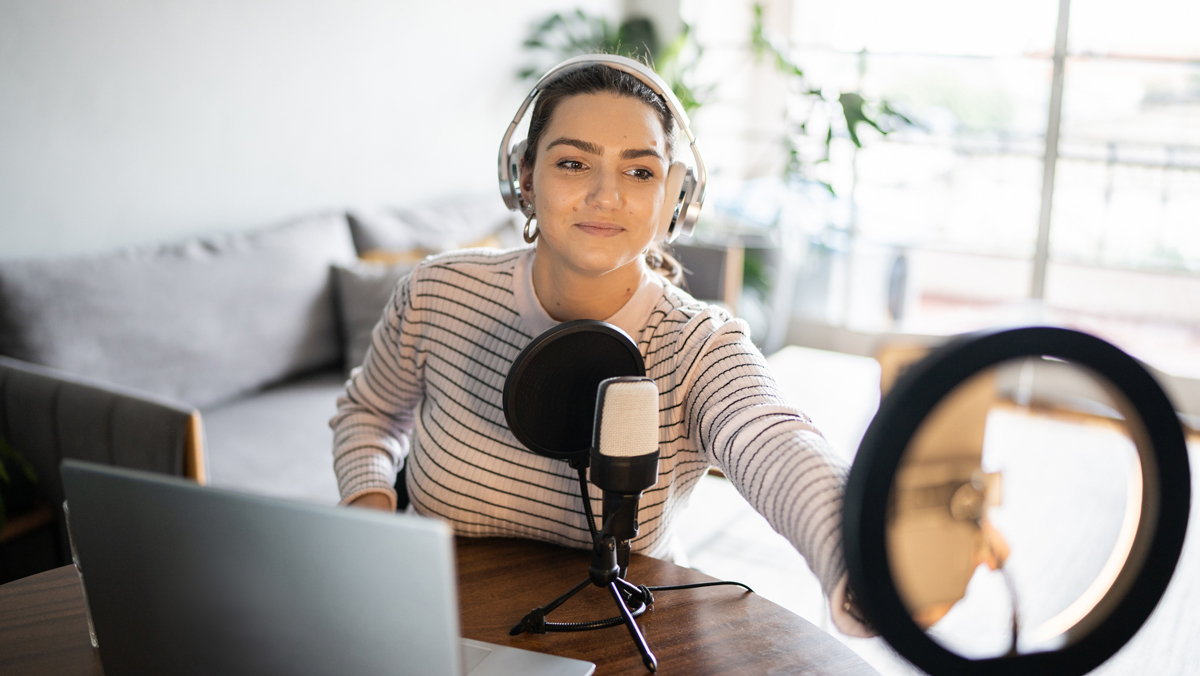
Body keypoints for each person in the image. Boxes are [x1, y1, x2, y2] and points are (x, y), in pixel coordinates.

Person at [330, 59, 871, 636]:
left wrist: (865, 554)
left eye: (640, 173)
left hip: (616, 636)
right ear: (525, 181)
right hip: (437, 621)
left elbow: (774, 440)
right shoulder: (437, 293)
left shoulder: (700, 345)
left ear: (674, 199)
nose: (606, 195)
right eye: (572, 163)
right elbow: (370, 411)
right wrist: (371, 515)